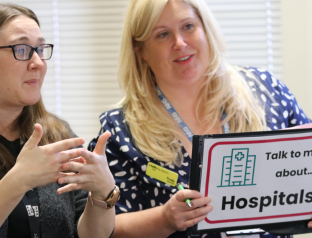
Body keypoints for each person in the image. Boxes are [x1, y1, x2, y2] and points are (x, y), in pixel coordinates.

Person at [88, 0, 312, 237]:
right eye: (163, 34)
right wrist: (164, 219)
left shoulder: (267, 91)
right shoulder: (119, 130)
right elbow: (106, 229)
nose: (180, 43)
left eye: (188, 27)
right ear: (140, 50)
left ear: (206, 29)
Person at [0, 3, 118, 238]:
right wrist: (19, 180)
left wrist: (104, 193)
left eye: (40, 49)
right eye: (21, 49)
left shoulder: (58, 134)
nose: (38, 63)